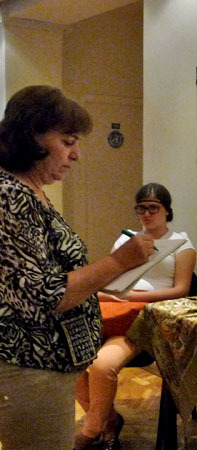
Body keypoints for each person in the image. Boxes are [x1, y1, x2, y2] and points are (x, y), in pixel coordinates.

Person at [0, 85, 155, 450]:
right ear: (32, 138)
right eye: (68, 142)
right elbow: (46, 296)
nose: (76, 155)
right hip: (30, 364)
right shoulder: (10, 196)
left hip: (45, 364)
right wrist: (119, 261)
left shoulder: (31, 192)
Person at [74, 182, 196, 450]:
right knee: (68, 358)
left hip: (147, 318)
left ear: (167, 210)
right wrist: (108, 295)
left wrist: (132, 297)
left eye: (153, 208)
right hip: (114, 310)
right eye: (141, 208)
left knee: (102, 365)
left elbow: (181, 291)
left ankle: (93, 429)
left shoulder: (182, 244)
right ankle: (108, 422)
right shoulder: (126, 240)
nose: (146, 214)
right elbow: (109, 277)